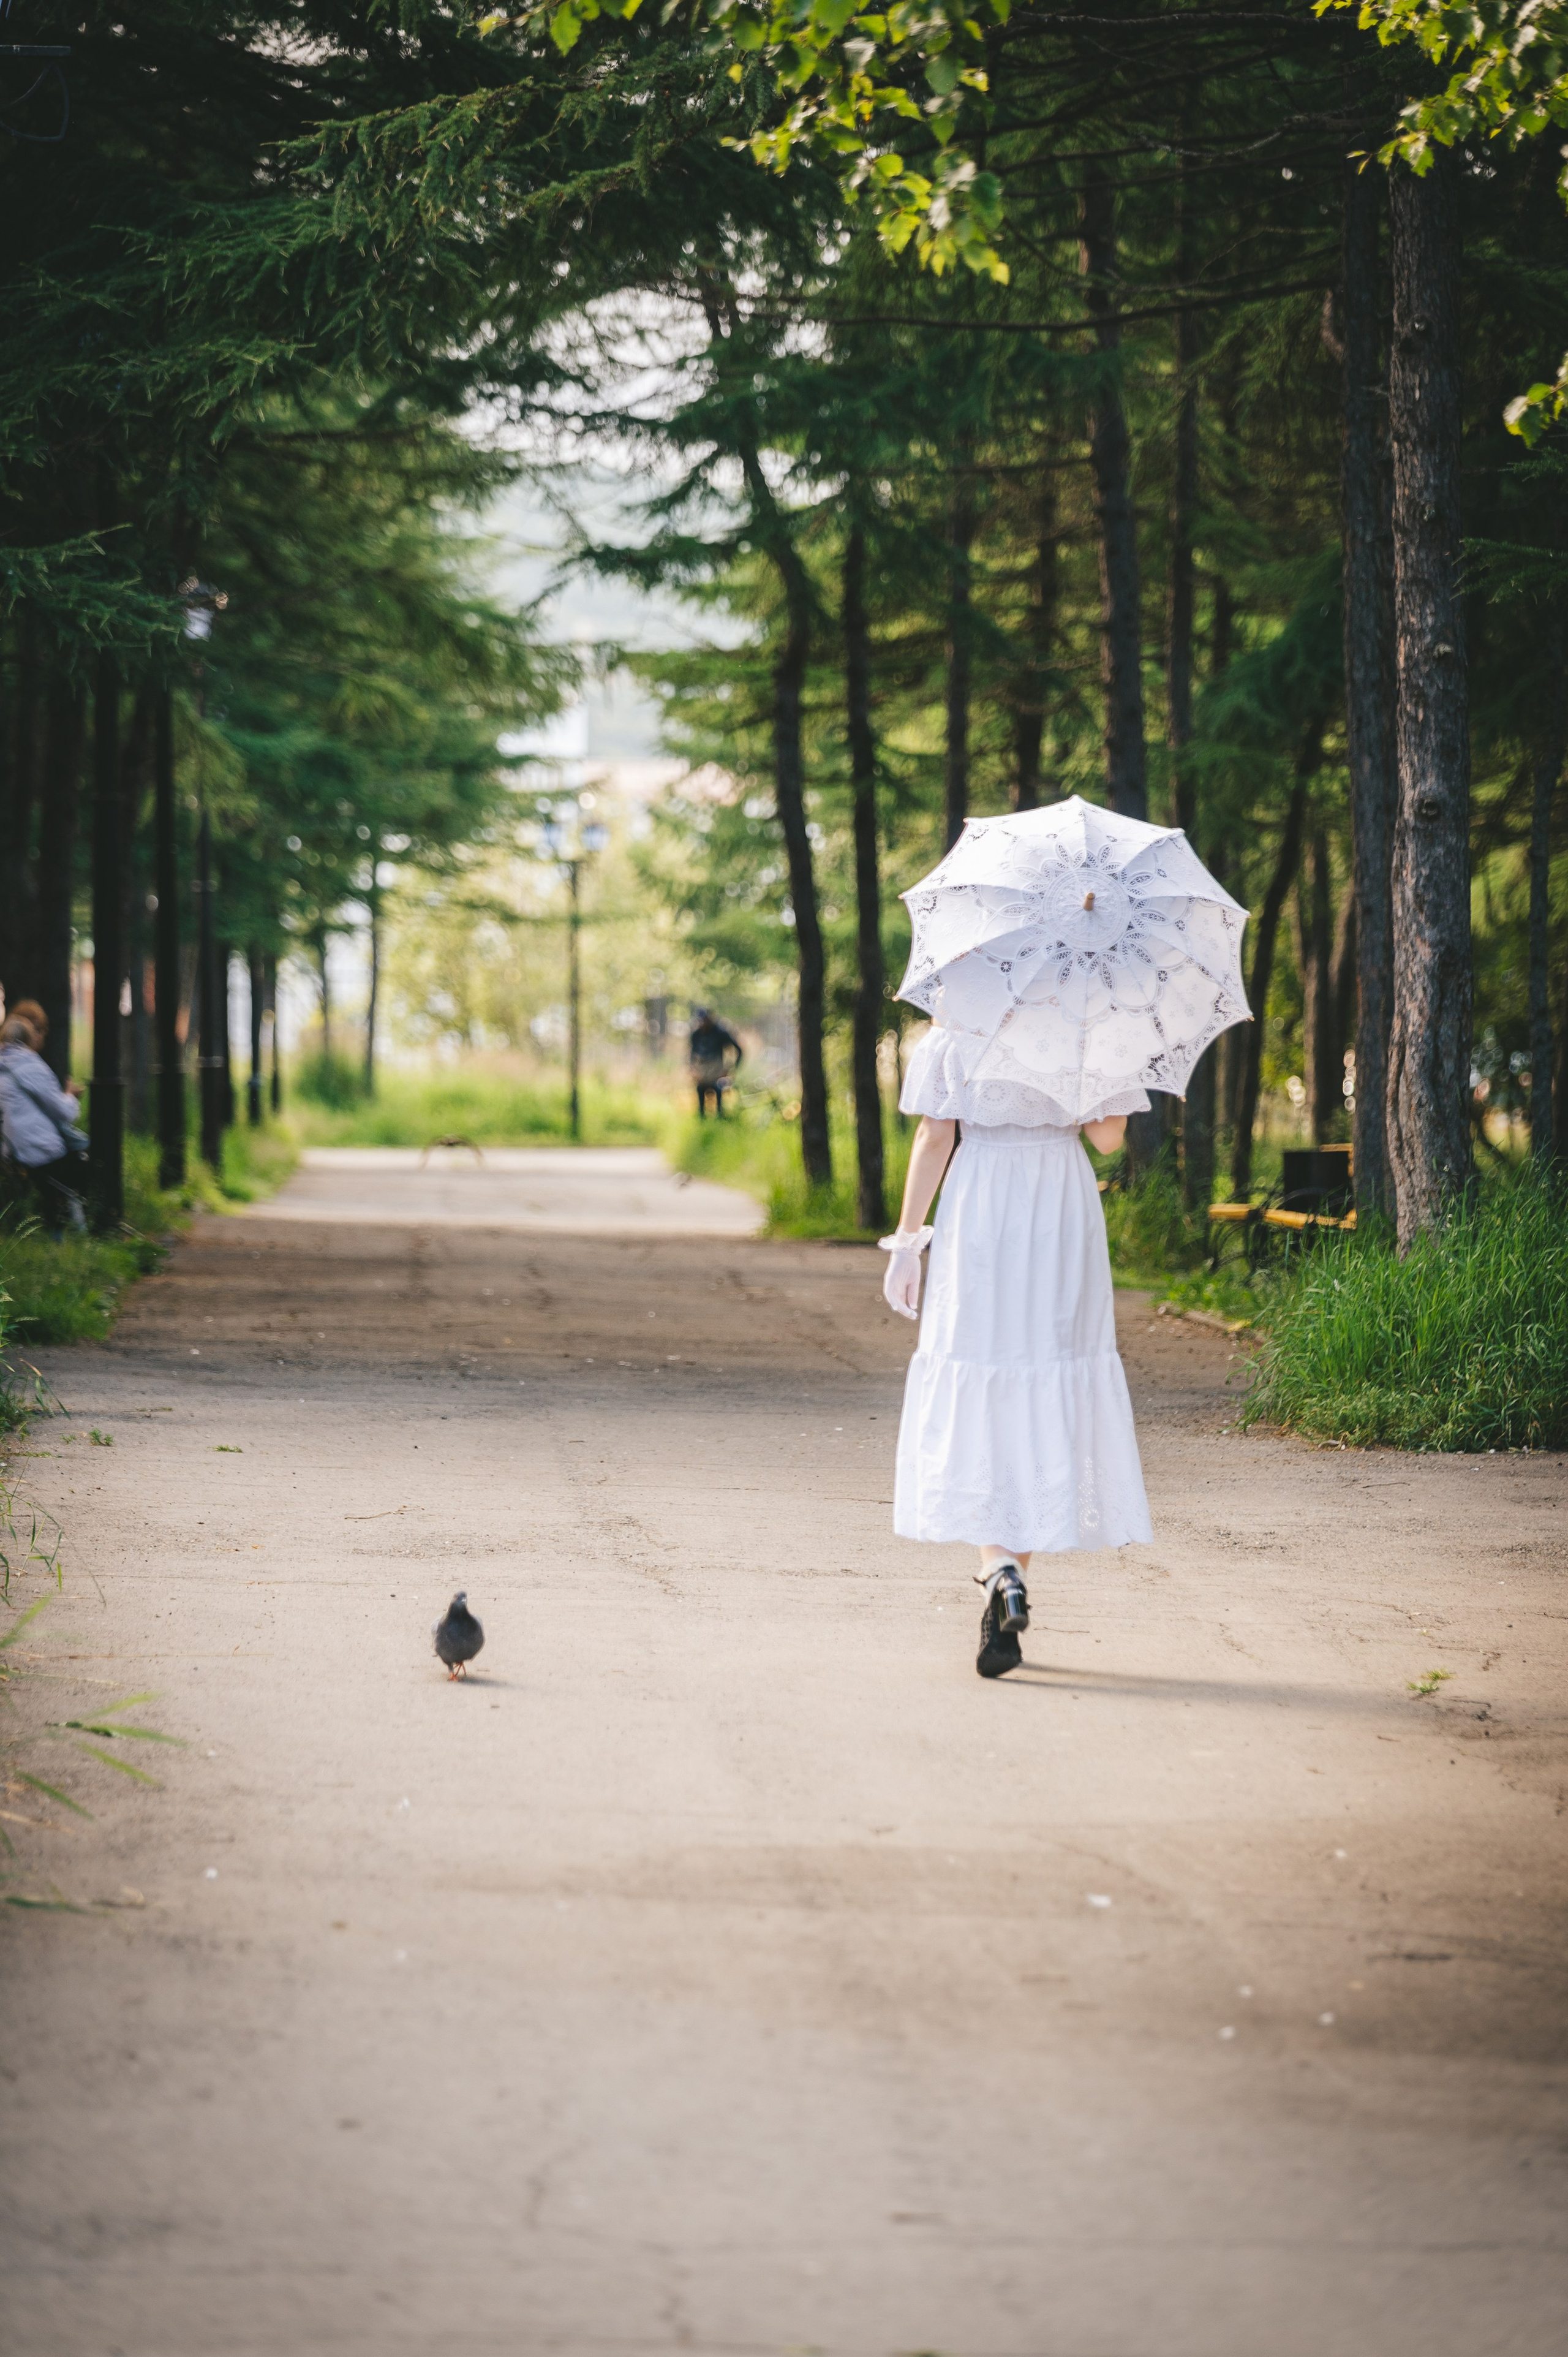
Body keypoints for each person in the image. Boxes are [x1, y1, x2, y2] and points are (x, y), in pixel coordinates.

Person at [879, 1021, 1152, 1679]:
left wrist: (908, 1240)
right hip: (1059, 1202)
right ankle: (1005, 1573)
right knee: (1045, 1380)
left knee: (984, 1376)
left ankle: (997, 1568)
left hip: (981, 1202)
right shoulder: (1090, 1027)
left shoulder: (953, 1031)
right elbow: (1108, 1138)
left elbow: (935, 1135)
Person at [0, 1012, 89, 1238]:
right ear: (29, 1040)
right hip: (38, 1148)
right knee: (81, 1162)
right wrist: (69, 1095)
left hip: (9, 1150)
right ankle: (67, 1234)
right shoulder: (31, 1064)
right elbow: (65, 1112)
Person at [687, 1006, 743, 1118]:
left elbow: (739, 1050)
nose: (702, 1023)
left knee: (718, 1093)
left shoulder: (721, 1032)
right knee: (700, 1094)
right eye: (700, 1020)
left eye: (705, 1020)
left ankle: (720, 1119)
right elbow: (692, 1054)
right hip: (702, 1074)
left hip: (717, 1075)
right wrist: (693, 1070)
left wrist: (730, 1069)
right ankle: (702, 1122)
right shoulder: (696, 1034)